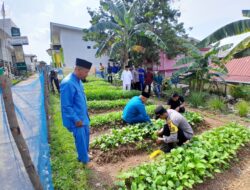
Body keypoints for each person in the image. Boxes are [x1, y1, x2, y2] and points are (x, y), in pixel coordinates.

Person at [60, 58, 92, 166]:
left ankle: (84, 155)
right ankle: (84, 160)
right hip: (77, 119)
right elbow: (66, 105)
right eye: (86, 72)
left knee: (86, 136)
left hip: (83, 116)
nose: (87, 74)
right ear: (78, 69)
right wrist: (76, 119)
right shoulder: (68, 83)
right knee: (81, 140)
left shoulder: (78, 81)